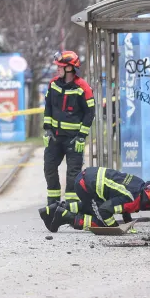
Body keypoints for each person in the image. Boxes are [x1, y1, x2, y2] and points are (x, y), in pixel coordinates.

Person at [38, 167, 150, 232]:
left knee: (90, 207)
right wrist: (114, 228)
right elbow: (105, 210)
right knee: (100, 222)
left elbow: (125, 206)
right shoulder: (133, 199)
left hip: (87, 177)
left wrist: (128, 223)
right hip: (87, 186)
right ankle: (64, 216)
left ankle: (53, 209)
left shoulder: (140, 185)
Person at [43, 50, 96, 211]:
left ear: (69, 68)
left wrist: (81, 136)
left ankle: (71, 208)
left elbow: (89, 113)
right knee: (49, 168)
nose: (57, 68)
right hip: (55, 137)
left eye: (60, 66)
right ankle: (53, 205)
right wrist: (47, 129)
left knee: (73, 174)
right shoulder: (53, 84)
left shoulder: (83, 87)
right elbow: (48, 107)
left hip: (73, 139)